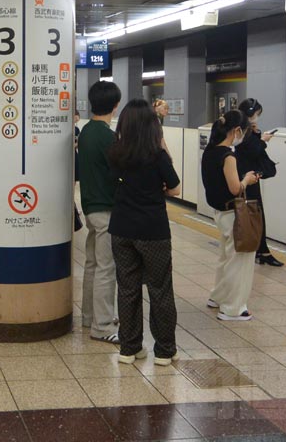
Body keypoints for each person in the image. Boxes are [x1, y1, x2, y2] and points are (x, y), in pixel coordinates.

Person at [108, 98, 181, 365]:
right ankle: (164, 351)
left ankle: (129, 348)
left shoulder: (116, 151)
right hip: (153, 230)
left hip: (122, 228)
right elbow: (175, 188)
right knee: (160, 289)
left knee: (127, 289)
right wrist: (161, 143)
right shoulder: (157, 155)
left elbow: (114, 180)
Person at [202, 110, 260, 321]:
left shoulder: (209, 151)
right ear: (236, 130)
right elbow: (235, 188)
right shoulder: (228, 156)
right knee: (240, 259)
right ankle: (233, 308)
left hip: (219, 212)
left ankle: (217, 297)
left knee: (226, 256)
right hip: (233, 213)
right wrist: (247, 180)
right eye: (243, 131)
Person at [77, 81, 121, 343]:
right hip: (106, 207)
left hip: (90, 206)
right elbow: (118, 171)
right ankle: (102, 325)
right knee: (107, 268)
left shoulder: (86, 131)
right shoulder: (107, 135)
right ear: (115, 105)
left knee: (93, 264)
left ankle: (89, 316)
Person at [235, 98, 283, 267]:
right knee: (255, 214)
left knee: (256, 213)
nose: (257, 118)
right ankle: (261, 251)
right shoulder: (241, 132)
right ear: (250, 114)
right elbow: (252, 151)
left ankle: (261, 250)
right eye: (256, 114)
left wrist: (257, 134)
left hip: (250, 176)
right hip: (247, 178)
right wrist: (263, 140)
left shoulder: (244, 130)